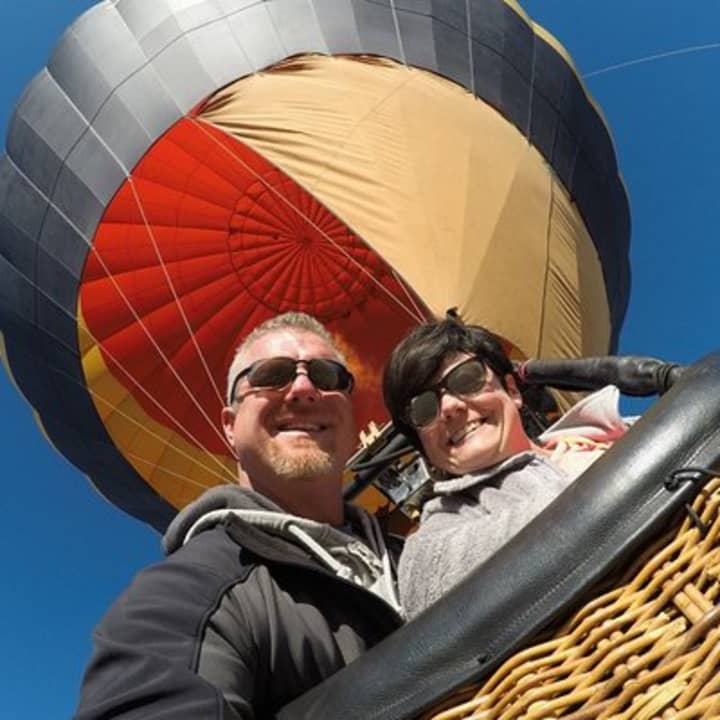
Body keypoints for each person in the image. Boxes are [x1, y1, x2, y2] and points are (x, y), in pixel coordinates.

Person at [75, 312, 403, 719]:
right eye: (272, 374)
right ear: (230, 427)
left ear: (351, 419)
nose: (303, 388)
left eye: (326, 376)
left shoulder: (414, 553)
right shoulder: (192, 593)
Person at [383, 316, 628, 618]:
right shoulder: (441, 527)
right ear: (425, 449)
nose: (449, 407)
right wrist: (619, 477)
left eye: (466, 379)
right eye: (424, 408)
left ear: (512, 390)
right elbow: (424, 590)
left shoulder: (609, 431)